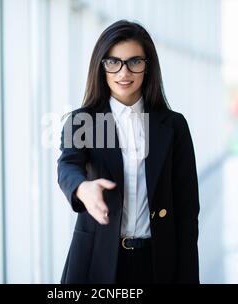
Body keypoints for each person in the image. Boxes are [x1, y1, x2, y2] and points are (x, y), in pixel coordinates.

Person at [57, 20, 199, 284]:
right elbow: (68, 166)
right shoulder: (85, 121)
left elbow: (187, 211)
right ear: (101, 67)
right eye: (113, 62)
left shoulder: (173, 125)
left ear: (148, 66)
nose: (124, 72)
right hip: (97, 260)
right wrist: (81, 189)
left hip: (157, 262)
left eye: (135, 62)